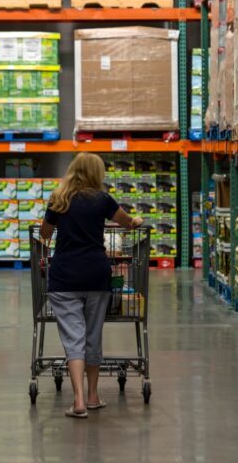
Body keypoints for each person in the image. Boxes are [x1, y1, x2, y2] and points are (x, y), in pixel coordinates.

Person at [40, 153, 143, 419]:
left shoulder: (59, 199)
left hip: (64, 278)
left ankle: (78, 400)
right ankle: (94, 395)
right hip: (96, 276)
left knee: (73, 339)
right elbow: (126, 222)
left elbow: (44, 234)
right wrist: (135, 222)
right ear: (96, 173)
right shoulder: (102, 199)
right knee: (92, 336)